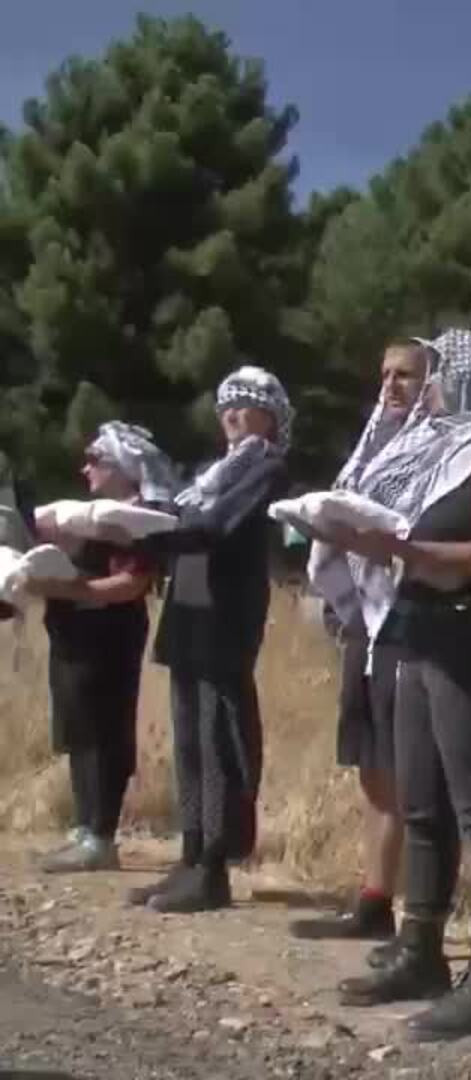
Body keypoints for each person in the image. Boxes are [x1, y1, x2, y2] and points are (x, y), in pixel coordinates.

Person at [323, 330, 471, 1041]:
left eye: (444, 371)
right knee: (423, 803)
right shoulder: (445, 446)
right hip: (420, 632)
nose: (432, 383)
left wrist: (399, 549)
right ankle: (420, 949)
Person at [127, 367, 294, 915]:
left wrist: (153, 529)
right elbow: (184, 517)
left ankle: (215, 866)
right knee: (190, 740)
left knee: (219, 736)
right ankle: (191, 852)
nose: (231, 415)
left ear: (270, 416)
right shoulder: (209, 470)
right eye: (226, 405)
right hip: (189, 607)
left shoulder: (266, 467)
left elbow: (217, 525)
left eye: (245, 405)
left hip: (226, 614)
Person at [289, 340, 435, 950]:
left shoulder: (441, 448)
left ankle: (420, 917)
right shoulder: (374, 448)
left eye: (405, 375)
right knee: (373, 766)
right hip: (366, 624)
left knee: (413, 773)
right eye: (385, 375)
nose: (391, 386)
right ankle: (374, 900)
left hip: (412, 619)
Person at [27, 423, 175, 873]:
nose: (85, 468)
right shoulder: (92, 517)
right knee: (77, 727)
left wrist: (68, 589)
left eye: (95, 459)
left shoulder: (138, 519)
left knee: (104, 731)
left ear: (122, 467)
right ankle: (84, 826)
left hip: (109, 635)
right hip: (74, 635)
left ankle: (101, 834)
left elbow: (132, 583)